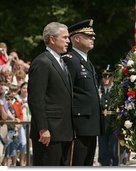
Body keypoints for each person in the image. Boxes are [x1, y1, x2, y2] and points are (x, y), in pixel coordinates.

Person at [28, 22, 73, 166]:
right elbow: (36, 98)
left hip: (64, 131)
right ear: (52, 39)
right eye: (65, 37)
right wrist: (43, 128)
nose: (68, 41)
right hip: (49, 133)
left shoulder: (61, 62)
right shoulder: (42, 62)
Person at [63, 19, 104, 166]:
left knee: (87, 163)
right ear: (77, 38)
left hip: (91, 123)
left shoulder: (87, 62)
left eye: (93, 35)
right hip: (78, 125)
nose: (93, 38)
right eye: (88, 36)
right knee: (77, 163)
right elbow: (67, 93)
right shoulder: (70, 60)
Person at [97, 66, 119, 166]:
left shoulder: (116, 90)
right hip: (102, 123)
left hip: (114, 122)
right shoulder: (99, 90)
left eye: (108, 76)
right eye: (104, 77)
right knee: (102, 148)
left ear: (112, 78)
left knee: (113, 149)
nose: (106, 79)